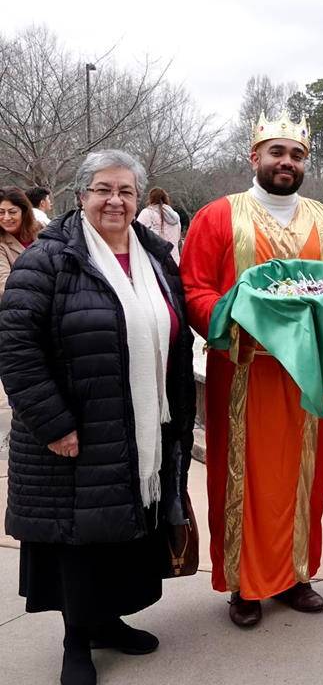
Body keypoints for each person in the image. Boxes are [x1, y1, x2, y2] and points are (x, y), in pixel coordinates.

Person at [0, 151, 196, 685]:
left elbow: (177, 335)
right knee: (79, 541)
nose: (115, 200)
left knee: (122, 535)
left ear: (138, 198)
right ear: (82, 195)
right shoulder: (50, 258)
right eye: (103, 189)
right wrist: (54, 424)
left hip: (140, 425)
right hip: (78, 430)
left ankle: (107, 623)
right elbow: (16, 348)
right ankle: (75, 643)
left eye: (126, 191)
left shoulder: (155, 256)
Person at [180, 109, 323, 627]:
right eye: (276, 152)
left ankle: (297, 575)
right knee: (240, 477)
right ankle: (244, 584)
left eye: (297, 154)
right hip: (243, 370)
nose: (286, 161)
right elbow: (194, 288)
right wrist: (239, 319)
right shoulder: (217, 216)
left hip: (306, 377)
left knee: (305, 476)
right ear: (254, 156)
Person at [0, 186, 40, 295]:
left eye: (12, 212)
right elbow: (5, 284)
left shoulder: (42, 230)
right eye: (1, 212)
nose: (6, 218)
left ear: (24, 212)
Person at [137, 187, 182, 264]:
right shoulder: (175, 216)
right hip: (175, 261)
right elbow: (178, 238)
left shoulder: (147, 213)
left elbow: (136, 234)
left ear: (151, 198)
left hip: (157, 262)